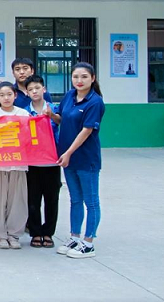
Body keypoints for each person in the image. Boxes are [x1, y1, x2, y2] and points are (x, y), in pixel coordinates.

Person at [55, 62, 105, 259]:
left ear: (92, 78)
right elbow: (62, 120)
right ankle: (75, 237)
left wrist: (68, 153)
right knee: (75, 199)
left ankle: (88, 242)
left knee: (91, 201)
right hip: (68, 158)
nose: (79, 80)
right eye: (76, 76)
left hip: (86, 158)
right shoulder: (69, 96)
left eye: (84, 76)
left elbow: (86, 131)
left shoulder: (95, 102)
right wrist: (50, 115)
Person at [0, 82, 30, 250]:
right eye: (2, 95)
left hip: (18, 163)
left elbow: (29, 136)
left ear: (15, 96)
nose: (6, 98)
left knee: (17, 200)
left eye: (9, 94)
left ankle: (14, 234)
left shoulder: (23, 114)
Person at [23, 74, 61, 249]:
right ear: (26, 92)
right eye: (30, 89)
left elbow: (61, 122)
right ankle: (36, 232)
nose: (34, 91)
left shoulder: (54, 108)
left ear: (44, 89)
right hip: (32, 162)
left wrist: (51, 115)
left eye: (37, 88)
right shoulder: (24, 112)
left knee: (51, 199)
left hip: (52, 161)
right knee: (33, 199)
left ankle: (48, 233)